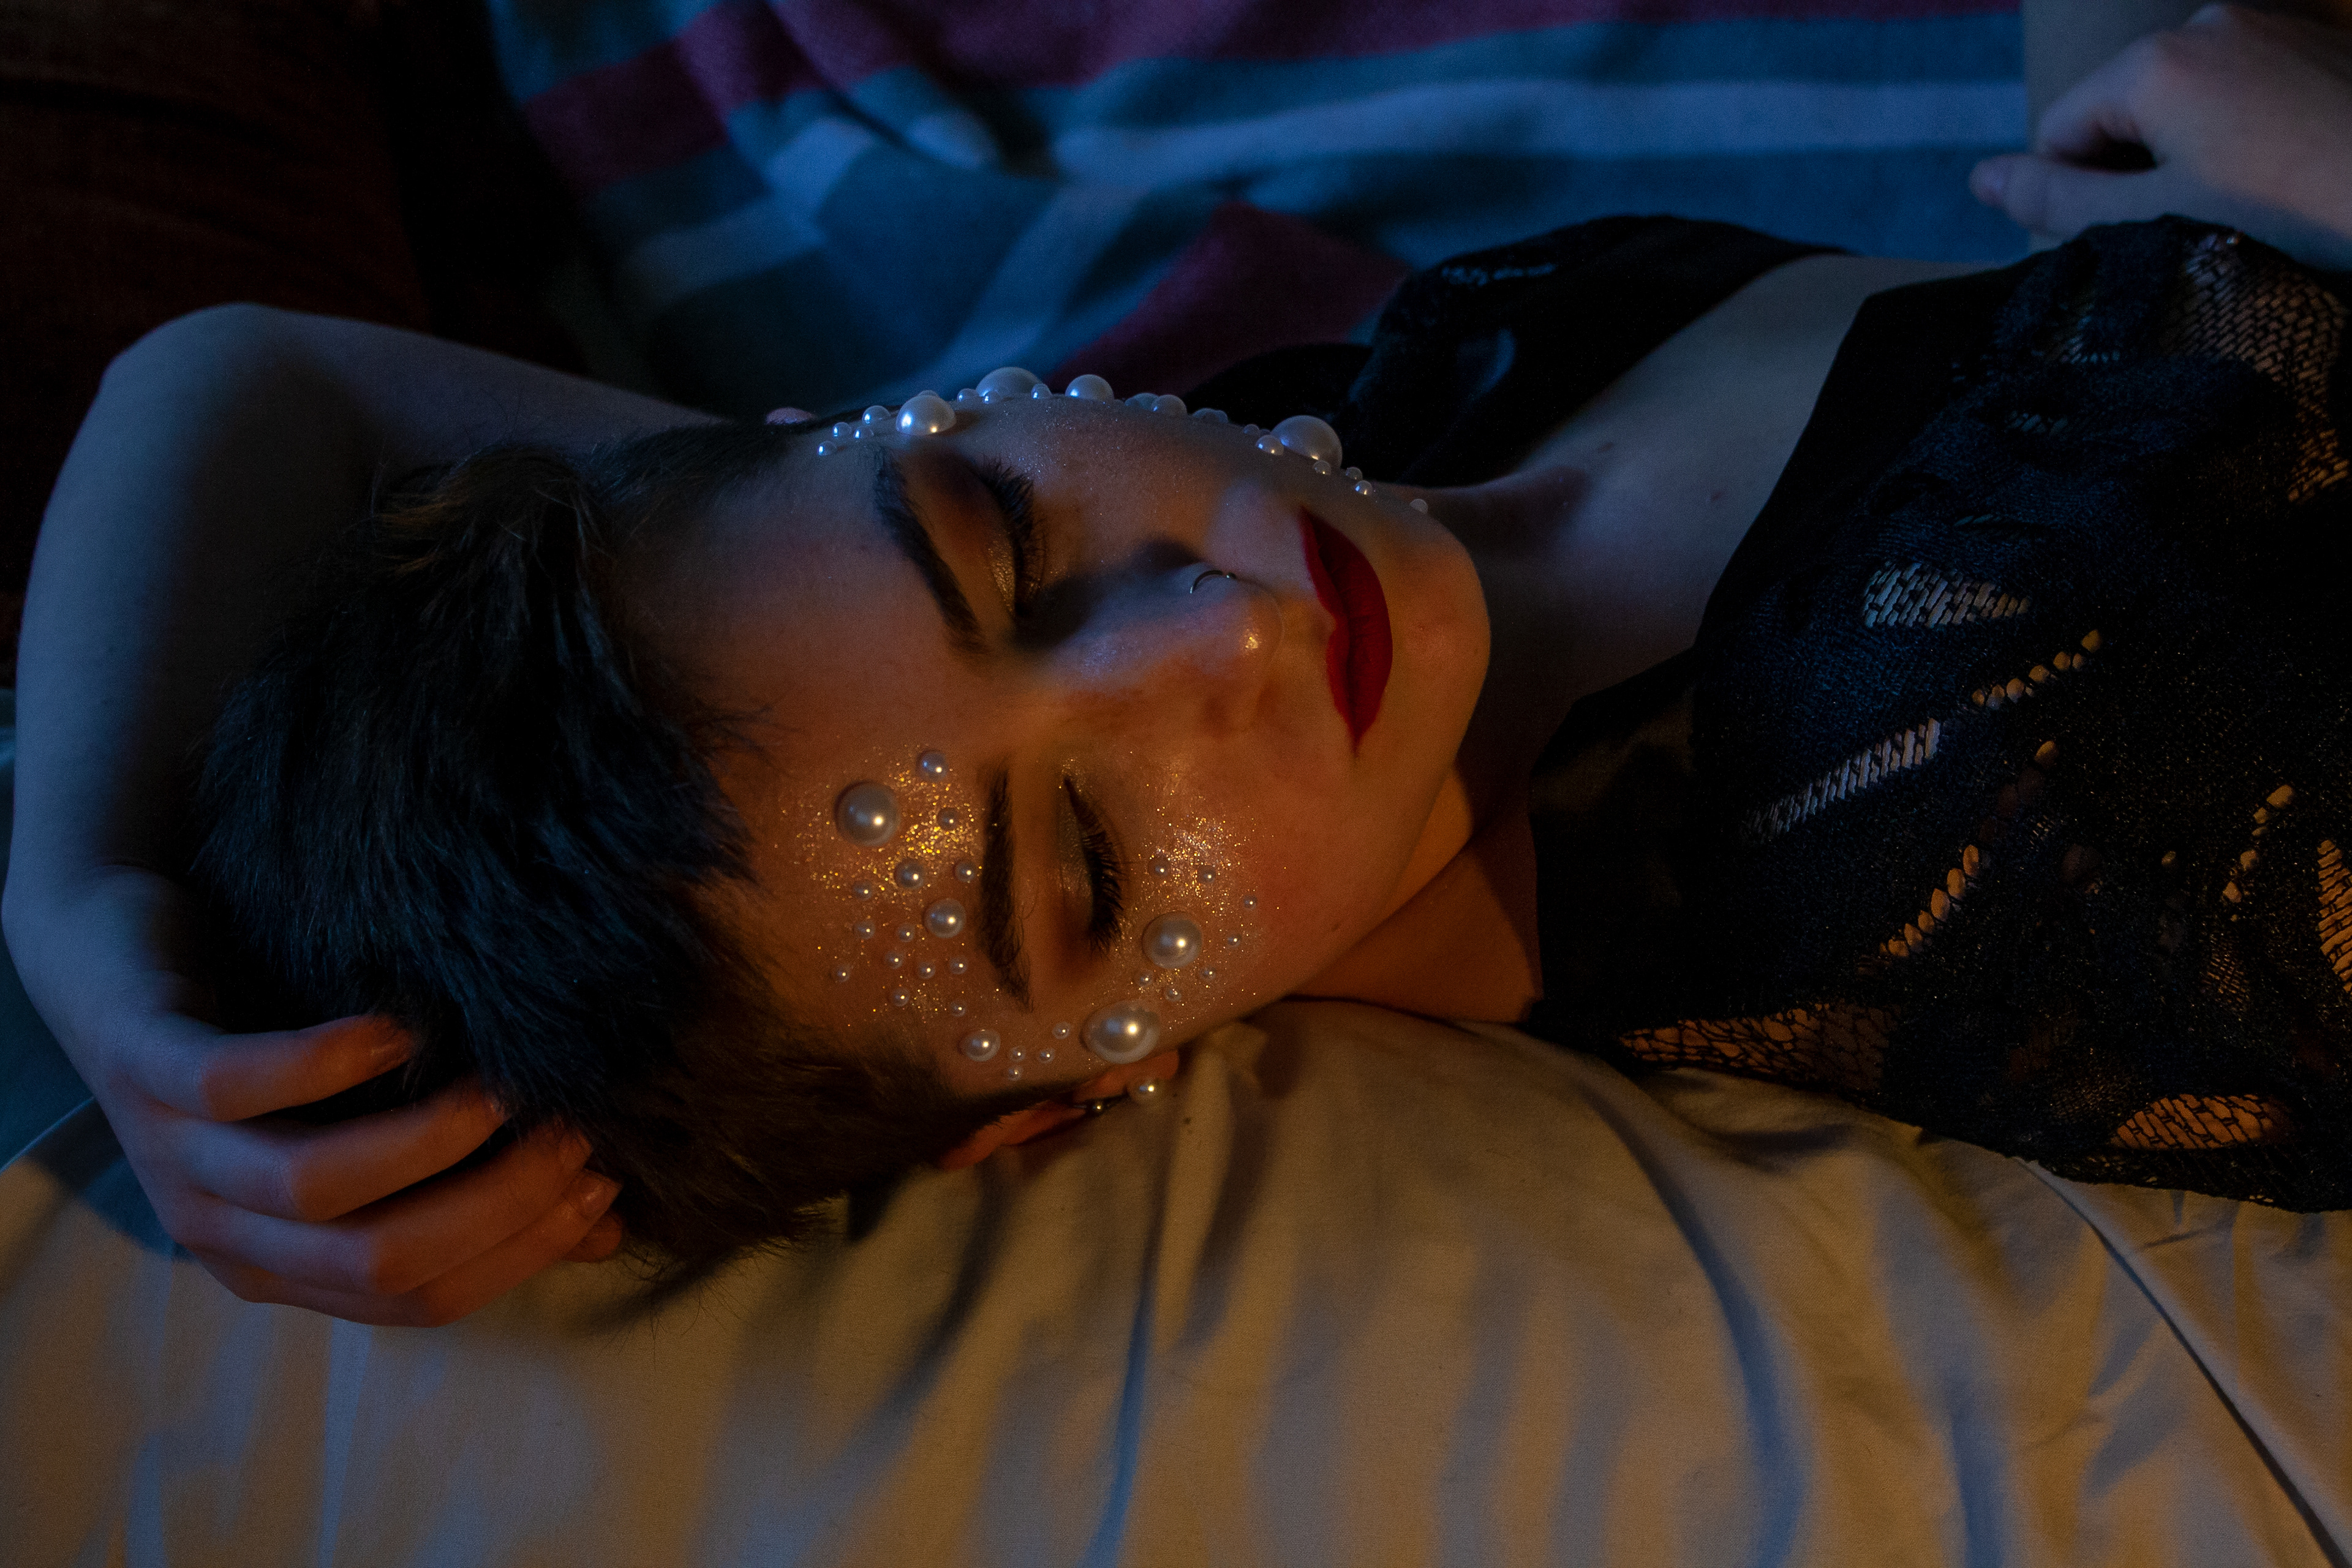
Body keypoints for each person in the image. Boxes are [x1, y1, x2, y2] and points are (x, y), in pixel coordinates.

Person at [9, 2, 2352, 1327]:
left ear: (860, 428)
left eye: (1003, 536)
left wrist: (79, 894)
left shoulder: (1363, 500)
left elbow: (256, 376)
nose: (1219, 628)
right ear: (1049, 1108)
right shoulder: (1996, 825)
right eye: (1087, 868)